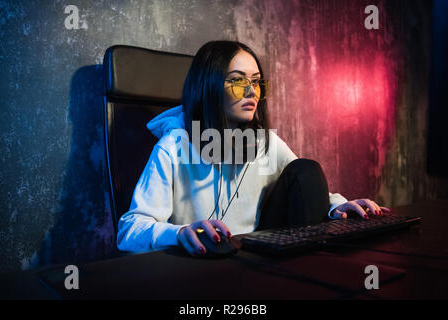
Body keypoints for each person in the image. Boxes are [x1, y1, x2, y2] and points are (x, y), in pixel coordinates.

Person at [116, 40, 390, 256]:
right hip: (202, 266)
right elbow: (130, 231)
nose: (252, 92)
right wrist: (178, 234)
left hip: (257, 259)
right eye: (237, 81)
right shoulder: (174, 147)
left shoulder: (264, 143)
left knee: (306, 170)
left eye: (256, 81)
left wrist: (341, 207)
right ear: (209, 87)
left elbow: (309, 193)